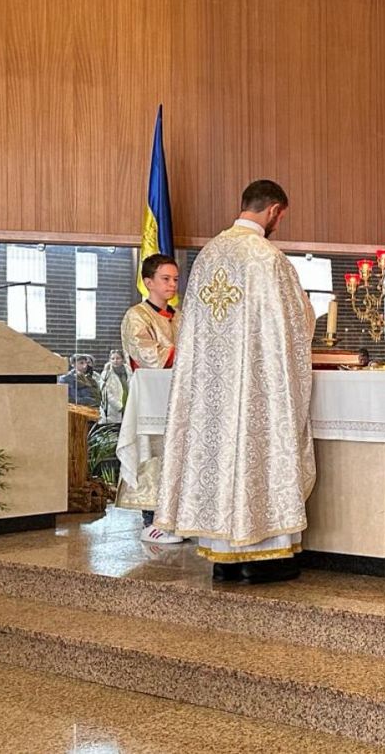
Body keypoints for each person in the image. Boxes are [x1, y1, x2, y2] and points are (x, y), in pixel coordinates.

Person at [155, 180, 316, 584]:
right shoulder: (267, 259)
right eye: (281, 216)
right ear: (275, 210)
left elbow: (191, 330)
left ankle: (224, 558)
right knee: (257, 452)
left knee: (220, 457)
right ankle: (266, 557)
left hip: (212, 391)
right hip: (255, 388)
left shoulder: (209, 255)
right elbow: (296, 325)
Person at [117, 253, 183, 544]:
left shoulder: (181, 317)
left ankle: (177, 518)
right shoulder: (137, 316)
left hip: (180, 399)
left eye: (175, 279)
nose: (172, 284)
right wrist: (188, 354)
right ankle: (151, 520)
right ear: (148, 282)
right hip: (151, 399)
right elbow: (148, 355)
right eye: (165, 279)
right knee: (152, 454)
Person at [98, 349, 129, 424]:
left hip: (127, 406)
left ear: (122, 359)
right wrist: (119, 406)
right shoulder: (106, 374)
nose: (115, 360)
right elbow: (106, 393)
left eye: (118, 358)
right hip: (113, 409)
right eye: (113, 358)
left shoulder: (128, 372)